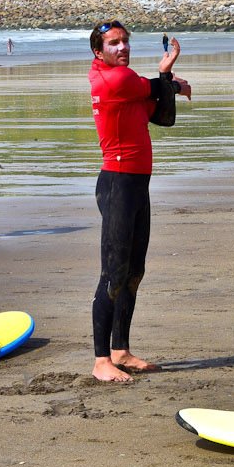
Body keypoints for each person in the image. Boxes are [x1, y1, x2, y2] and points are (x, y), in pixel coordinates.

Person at [88, 21, 191, 383]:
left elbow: (162, 115)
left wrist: (167, 83)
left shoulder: (128, 87)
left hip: (137, 185)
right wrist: (170, 79)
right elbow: (156, 89)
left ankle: (121, 350)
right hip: (117, 184)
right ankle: (102, 361)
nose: (123, 47)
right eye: (114, 43)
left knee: (134, 274)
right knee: (113, 276)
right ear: (99, 52)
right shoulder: (113, 80)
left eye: (126, 41)